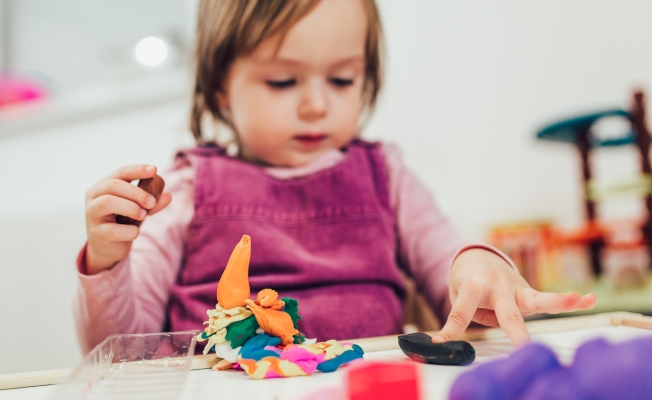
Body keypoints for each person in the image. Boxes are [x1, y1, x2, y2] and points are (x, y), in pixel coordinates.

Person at [74, 0, 595, 354]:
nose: (317, 105)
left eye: (343, 79)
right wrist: (108, 259)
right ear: (217, 89)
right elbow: (124, 350)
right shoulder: (187, 190)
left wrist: (479, 266)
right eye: (282, 81)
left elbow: (450, 274)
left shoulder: (385, 174)